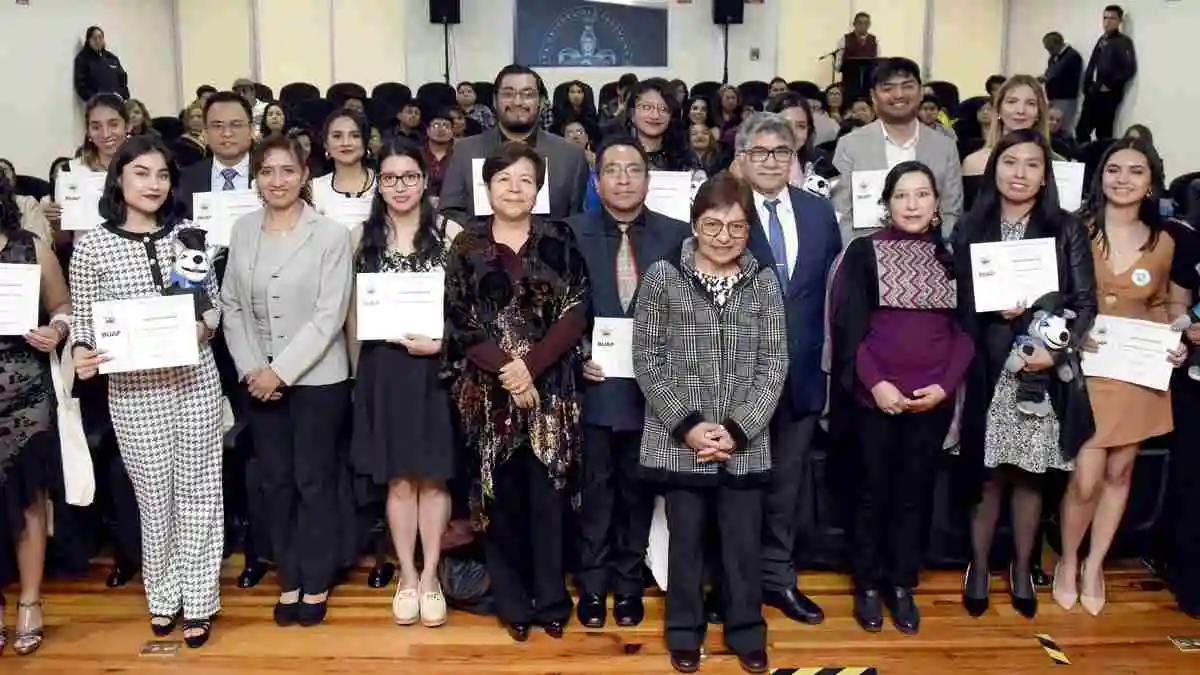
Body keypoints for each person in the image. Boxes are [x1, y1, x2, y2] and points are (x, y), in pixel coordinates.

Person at [69, 135, 224, 648]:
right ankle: (163, 596)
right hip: (133, 392)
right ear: (119, 178)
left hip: (194, 380)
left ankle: (201, 602)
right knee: (154, 495)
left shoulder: (188, 235)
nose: (153, 184)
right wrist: (81, 353)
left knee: (200, 491)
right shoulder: (92, 245)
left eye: (161, 175)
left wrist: (202, 327)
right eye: (141, 173)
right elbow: (86, 321)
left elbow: (212, 308)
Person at [634, 172, 787, 674]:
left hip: (745, 440)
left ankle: (746, 631)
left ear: (749, 230)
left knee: (742, 546)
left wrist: (738, 429)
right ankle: (683, 630)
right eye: (713, 225)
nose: (724, 236)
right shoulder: (663, 276)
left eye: (737, 227)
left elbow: (774, 364)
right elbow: (648, 359)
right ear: (695, 224)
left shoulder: (763, 279)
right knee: (687, 543)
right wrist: (691, 426)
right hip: (682, 442)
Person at [443, 142, 590, 642]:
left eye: (525, 180)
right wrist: (509, 371)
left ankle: (551, 600)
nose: (514, 188)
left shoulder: (559, 238)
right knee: (498, 504)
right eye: (504, 179)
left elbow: (576, 311)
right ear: (487, 187)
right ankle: (511, 603)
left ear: (538, 188)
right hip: (489, 397)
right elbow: (459, 321)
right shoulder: (466, 247)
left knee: (548, 503)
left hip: (552, 395)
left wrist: (530, 368)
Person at [953, 129, 1098, 621]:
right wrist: (992, 308)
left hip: (1038, 373)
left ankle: (1019, 568)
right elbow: (958, 304)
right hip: (987, 366)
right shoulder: (972, 224)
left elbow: (1085, 304)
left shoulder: (1065, 228)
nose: (1019, 173)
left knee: (1030, 477)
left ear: (1045, 174)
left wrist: (1055, 354)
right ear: (994, 167)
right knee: (988, 473)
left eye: (1031, 164)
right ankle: (976, 566)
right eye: (1010, 161)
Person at [830, 161, 972, 634]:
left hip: (932, 401)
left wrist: (945, 387)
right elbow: (849, 329)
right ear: (887, 203)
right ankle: (868, 584)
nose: (912, 204)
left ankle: (901, 582)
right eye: (902, 196)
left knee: (915, 494)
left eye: (922, 194)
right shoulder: (864, 253)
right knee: (871, 493)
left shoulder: (954, 256)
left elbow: (965, 334)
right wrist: (877, 384)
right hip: (877, 399)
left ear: (937, 203)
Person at [220, 134, 353, 628]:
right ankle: (290, 576)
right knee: (274, 482)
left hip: (318, 379)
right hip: (257, 378)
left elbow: (329, 314)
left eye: (287, 171)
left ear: (304, 175)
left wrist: (281, 370)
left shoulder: (331, 234)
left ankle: (317, 580)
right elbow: (232, 304)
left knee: (313, 481)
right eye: (267, 171)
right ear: (256, 178)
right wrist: (254, 368)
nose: (277, 181)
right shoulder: (242, 229)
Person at [1056, 137, 1188, 615]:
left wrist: (1176, 338)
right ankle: (1067, 560)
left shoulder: (1167, 238)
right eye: (1114, 169)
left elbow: (1167, 303)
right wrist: (1071, 332)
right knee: (1087, 476)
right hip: (1089, 369)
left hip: (1138, 369)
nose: (1124, 179)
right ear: (1101, 176)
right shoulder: (1076, 228)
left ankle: (1094, 565)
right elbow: (1058, 295)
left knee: (1120, 471)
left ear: (1151, 181)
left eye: (1135, 171)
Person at [566, 137, 690, 630]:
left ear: (648, 179)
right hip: (593, 386)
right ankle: (593, 585)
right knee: (594, 493)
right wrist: (576, 358)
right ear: (597, 181)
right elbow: (554, 312)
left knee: (638, 493)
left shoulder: (677, 236)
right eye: (611, 170)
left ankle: (628, 583)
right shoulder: (570, 233)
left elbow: (689, 315)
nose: (622, 178)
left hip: (651, 393)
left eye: (632, 169)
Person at [727, 112, 841, 627]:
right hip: (736, 380)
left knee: (786, 489)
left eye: (781, 152)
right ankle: (731, 587)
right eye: (760, 152)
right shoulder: (721, 212)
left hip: (800, 378)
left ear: (794, 156)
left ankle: (779, 579)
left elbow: (830, 296)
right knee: (733, 488)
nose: (771, 161)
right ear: (743, 157)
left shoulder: (819, 214)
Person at [346, 141, 462, 627]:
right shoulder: (360, 236)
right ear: (379, 181)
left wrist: (443, 344)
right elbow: (351, 313)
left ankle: (432, 573)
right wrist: (356, 375)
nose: (400, 186)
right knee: (397, 479)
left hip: (434, 368)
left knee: (433, 476)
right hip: (384, 369)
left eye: (409, 176)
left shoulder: (450, 233)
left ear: (424, 180)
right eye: (390, 177)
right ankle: (407, 575)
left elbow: (467, 309)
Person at [176, 90, 269, 589]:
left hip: (259, 321)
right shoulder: (185, 182)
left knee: (254, 432)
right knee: (211, 435)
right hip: (200, 325)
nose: (228, 134)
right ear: (205, 130)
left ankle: (257, 537)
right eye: (218, 126)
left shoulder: (268, 177)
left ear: (250, 129)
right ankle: (223, 527)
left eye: (237, 125)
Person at [0, 171, 72, 657]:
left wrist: (58, 330)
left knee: (29, 501)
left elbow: (64, 306)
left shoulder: (30, 248)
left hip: (25, 394)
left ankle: (30, 601)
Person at [831, 58, 963, 245]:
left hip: (930, 259)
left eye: (907, 86)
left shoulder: (945, 146)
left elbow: (952, 212)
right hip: (866, 258)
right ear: (873, 96)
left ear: (920, 92)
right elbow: (842, 213)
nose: (898, 94)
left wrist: (936, 255)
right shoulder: (849, 146)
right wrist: (859, 257)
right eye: (888, 88)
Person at [439, 65, 590, 223]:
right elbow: (449, 212)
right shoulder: (466, 151)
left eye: (528, 94)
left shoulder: (571, 156)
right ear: (495, 101)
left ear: (542, 102)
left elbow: (579, 221)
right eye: (508, 93)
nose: (518, 102)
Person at [1076, 5, 1138, 142]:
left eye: (1112, 18)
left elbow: (1129, 68)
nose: (1107, 21)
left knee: (1103, 134)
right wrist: (1086, 86)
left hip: (1107, 96)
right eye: (1105, 18)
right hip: (1093, 92)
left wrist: (1109, 85)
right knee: (1081, 131)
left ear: (1119, 21)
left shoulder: (1123, 42)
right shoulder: (1102, 39)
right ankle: (1084, 162)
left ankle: (1101, 162)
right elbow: (1094, 64)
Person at [1042, 32, 1084, 137]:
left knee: (1063, 128)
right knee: (1051, 128)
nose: (1048, 51)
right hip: (1053, 98)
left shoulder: (1072, 56)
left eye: (1049, 48)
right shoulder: (1053, 57)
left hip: (1065, 98)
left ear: (1057, 44)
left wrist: (1044, 78)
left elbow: (1055, 72)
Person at [73, 26, 129, 102]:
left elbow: (123, 79)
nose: (97, 41)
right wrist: (95, 99)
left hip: (117, 104)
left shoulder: (112, 58)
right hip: (97, 106)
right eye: (94, 38)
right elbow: (81, 86)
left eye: (100, 37)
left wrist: (122, 96)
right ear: (88, 40)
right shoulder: (83, 59)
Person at [836, 12, 880, 102]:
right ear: (854, 24)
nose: (863, 26)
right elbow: (838, 63)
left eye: (866, 23)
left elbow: (878, 61)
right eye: (860, 23)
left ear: (869, 25)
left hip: (868, 82)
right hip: (850, 82)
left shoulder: (874, 40)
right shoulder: (845, 39)